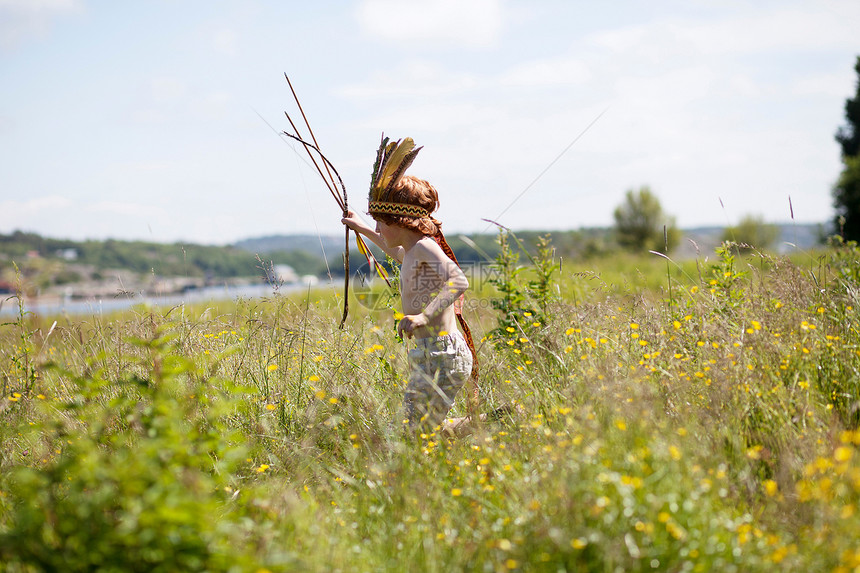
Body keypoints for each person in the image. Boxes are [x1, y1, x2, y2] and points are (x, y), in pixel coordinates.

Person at [341, 136, 477, 433]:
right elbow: (394, 250)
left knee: (412, 430)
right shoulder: (413, 251)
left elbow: (458, 280)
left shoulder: (426, 247)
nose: (378, 228)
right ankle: (482, 425)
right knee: (417, 429)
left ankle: (482, 426)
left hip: (443, 353)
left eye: (381, 222)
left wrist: (424, 315)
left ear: (402, 221)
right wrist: (361, 227)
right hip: (430, 352)